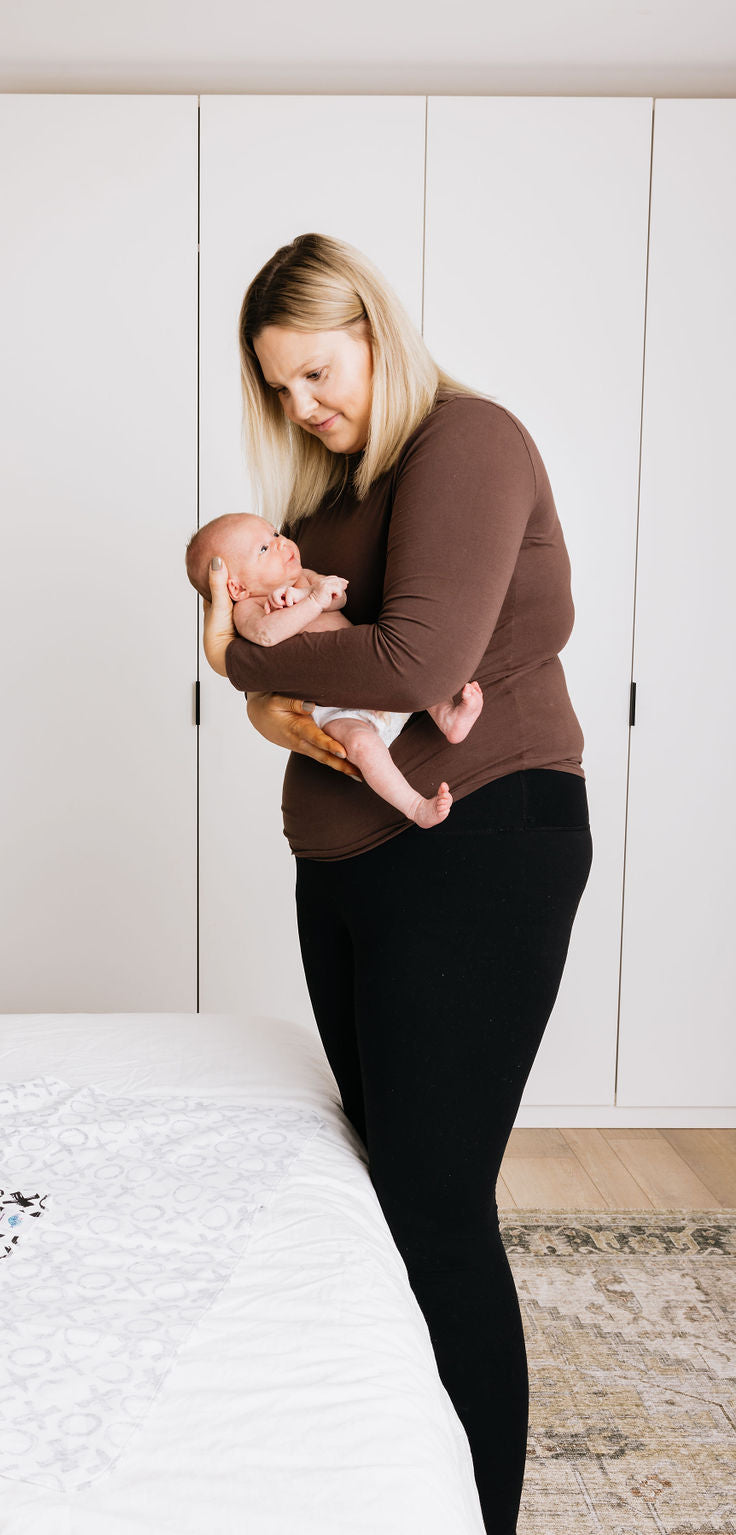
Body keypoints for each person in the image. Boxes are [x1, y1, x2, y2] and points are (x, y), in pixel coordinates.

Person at [200, 233, 592, 1535]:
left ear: (374, 329)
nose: (303, 406)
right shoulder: (325, 501)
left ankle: (480, 1509)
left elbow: (417, 662)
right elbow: (309, 664)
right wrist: (278, 684)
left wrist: (246, 664)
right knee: (391, 1183)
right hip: (354, 870)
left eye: (316, 372)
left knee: (434, 1197)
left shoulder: (464, 444)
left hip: (476, 848)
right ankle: (396, 1477)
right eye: (280, 390)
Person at [187, 510, 484, 827]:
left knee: (414, 667)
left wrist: (308, 594)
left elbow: (338, 598)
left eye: (274, 534)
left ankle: (448, 718)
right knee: (361, 746)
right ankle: (415, 808)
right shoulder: (250, 608)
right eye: (263, 549)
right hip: (336, 711)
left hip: (376, 674)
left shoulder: (302, 578)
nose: (280, 543)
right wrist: (310, 604)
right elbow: (266, 634)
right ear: (237, 589)